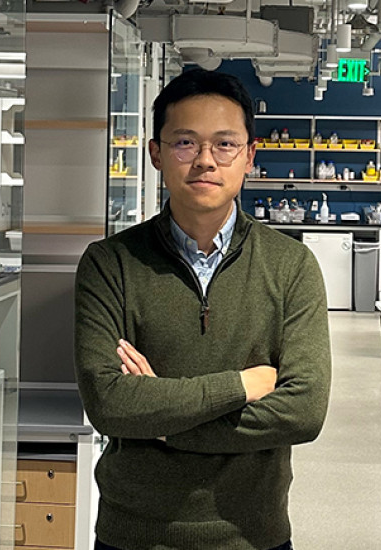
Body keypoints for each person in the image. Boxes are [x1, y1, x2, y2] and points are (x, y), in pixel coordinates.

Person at [75, 68, 332, 550]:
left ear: (250, 155)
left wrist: (165, 424)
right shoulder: (110, 264)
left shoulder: (291, 266)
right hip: (134, 534)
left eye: (225, 144)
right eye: (185, 143)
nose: (205, 161)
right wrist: (242, 385)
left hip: (252, 533)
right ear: (156, 153)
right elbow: (109, 405)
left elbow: (303, 412)